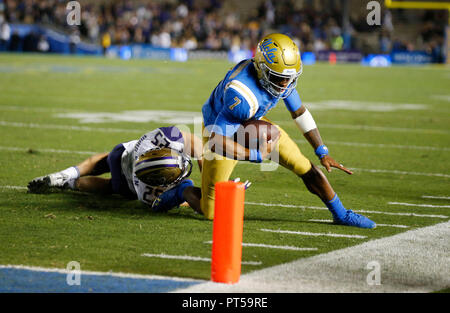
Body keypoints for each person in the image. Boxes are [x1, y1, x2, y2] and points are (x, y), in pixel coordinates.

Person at [200, 33, 376, 228]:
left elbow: (299, 112)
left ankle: (341, 214)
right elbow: (216, 141)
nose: (284, 84)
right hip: (220, 129)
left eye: (288, 78)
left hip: (252, 121)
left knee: (304, 166)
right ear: (261, 69)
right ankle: (181, 191)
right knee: (210, 212)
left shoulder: (279, 77)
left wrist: (322, 151)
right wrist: (255, 155)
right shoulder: (242, 95)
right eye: (278, 78)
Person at [28, 126, 203, 213]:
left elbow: (188, 138)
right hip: (127, 188)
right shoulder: (146, 194)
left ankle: (68, 174)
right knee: (109, 186)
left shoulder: (151, 142)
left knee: (102, 161)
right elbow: (180, 201)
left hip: (120, 156)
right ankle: (72, 184)